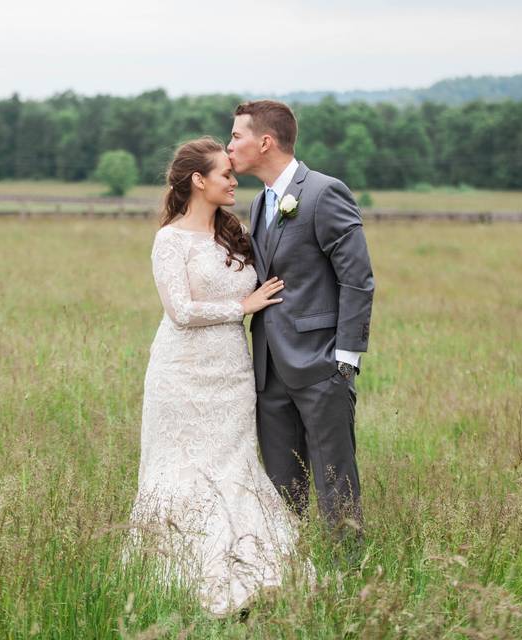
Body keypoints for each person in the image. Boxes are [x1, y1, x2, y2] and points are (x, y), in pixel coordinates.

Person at [127, 137, 313, 617]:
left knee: (234, 462)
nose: (235, 181)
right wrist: (242, 306)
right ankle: (184, 572)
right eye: (226, 175)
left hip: (231, 370)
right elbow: (181, 311)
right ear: (198, 180)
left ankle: (260, 570)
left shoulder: (236, 233)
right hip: (181, 372)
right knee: (183, 466)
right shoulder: (170, 240)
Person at [227, 100, 375, 544]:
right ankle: (290, 571)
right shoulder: (257, 204)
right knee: (280, 487)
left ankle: (347, 574)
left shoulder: (324, 192)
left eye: (236, 136)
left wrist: (344, 359)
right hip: (269, 369)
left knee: (335, 480)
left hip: (320, 365)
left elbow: (358, 279)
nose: (229, 145)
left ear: (265, 141)